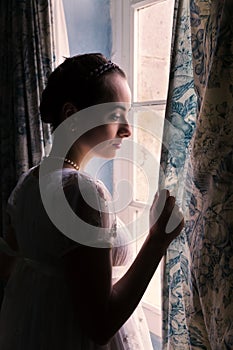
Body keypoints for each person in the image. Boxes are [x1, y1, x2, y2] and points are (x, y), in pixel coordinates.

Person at [0, 53, 184, 349]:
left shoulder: (27, 184)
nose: (127, 130)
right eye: (115, 116)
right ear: (72, 114)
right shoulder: (83, 193)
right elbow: (100, 326)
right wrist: (157, 242)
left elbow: (7, 267)